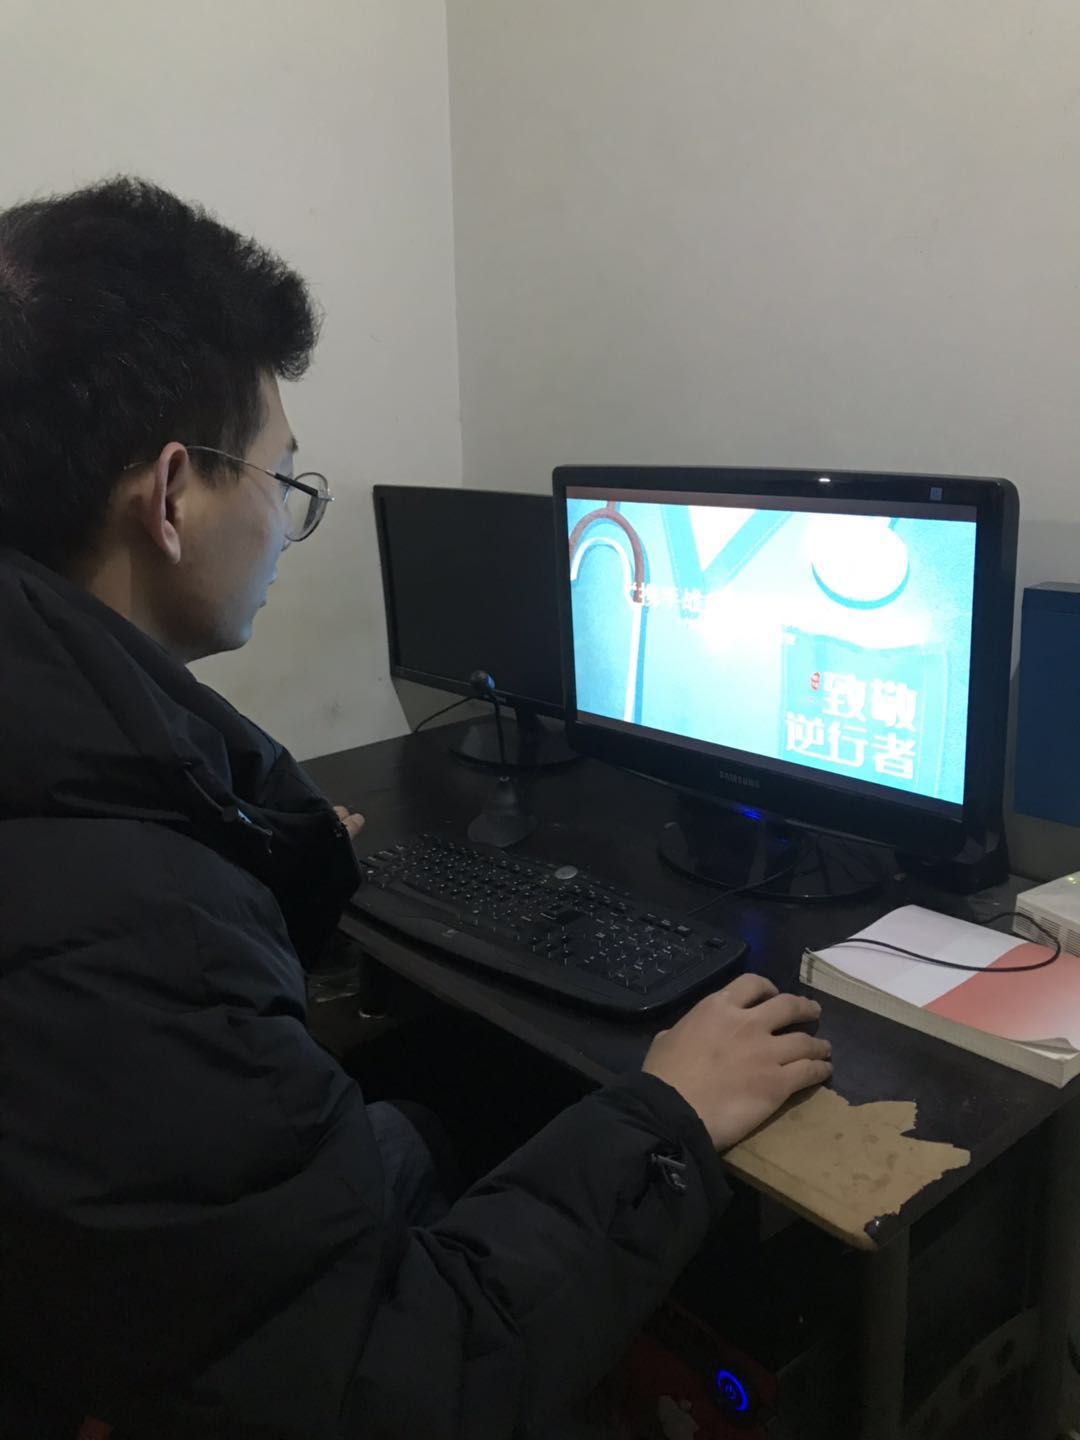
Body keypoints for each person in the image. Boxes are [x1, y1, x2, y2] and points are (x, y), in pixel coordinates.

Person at [0, 178, 832, 1440]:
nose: (286, 522)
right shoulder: (137, 934)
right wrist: (667, 1112)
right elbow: (395, 1383)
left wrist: (245, 855)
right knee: (457, 1127)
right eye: (283, 477)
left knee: (420, 1127)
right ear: (172, 499)